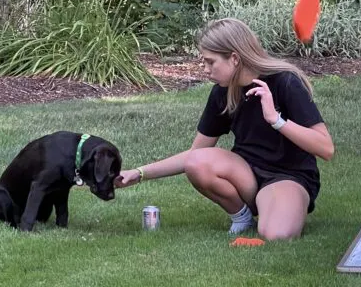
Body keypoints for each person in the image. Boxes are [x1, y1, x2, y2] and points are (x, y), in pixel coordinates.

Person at [115, 17, 334, 240]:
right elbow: (195, 153)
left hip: (288, 176)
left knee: (277, 235)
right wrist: (139, 173)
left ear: (235, 58)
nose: (206, 70)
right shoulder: (222, 91)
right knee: (197, 162)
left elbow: (326, 148)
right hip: (245, 174)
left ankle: (276, 208)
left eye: (211, 62)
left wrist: (276, 120)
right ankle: (242, 217)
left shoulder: (285, 82)